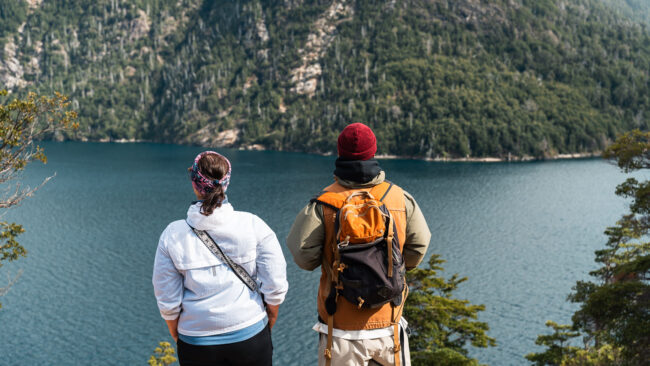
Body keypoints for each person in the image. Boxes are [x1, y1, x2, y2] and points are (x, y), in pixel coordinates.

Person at [286, 123, 431, 366]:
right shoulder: (400, 199)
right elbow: (418, 248)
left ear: (340, 153)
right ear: (374, 151)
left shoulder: (323, 204)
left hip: (340, 329)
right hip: (389, 327)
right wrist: (391, 267)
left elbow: (303, 256)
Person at [153, 151, 288, 366]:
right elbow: (275, 284)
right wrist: (267, 323)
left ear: (195, 185)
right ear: (226, 184)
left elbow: (167, 299)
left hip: (195, 343)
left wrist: (179, 335)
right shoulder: (253, 225)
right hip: (251, 336)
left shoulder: (172, 234)